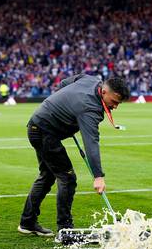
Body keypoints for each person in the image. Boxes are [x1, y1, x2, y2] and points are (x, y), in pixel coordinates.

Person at [18, 74, 130, 237]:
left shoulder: (91, 79)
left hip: (38, 127)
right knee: (67, 178)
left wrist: (64, 108)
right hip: (44, 132)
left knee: (47, 176)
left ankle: (27, 222)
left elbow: (64, 83)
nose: (115, 106)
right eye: (114, 102)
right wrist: (98, 176)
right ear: (104, 92)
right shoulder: (89, 108)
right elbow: (91, 143)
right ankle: (65, 228)